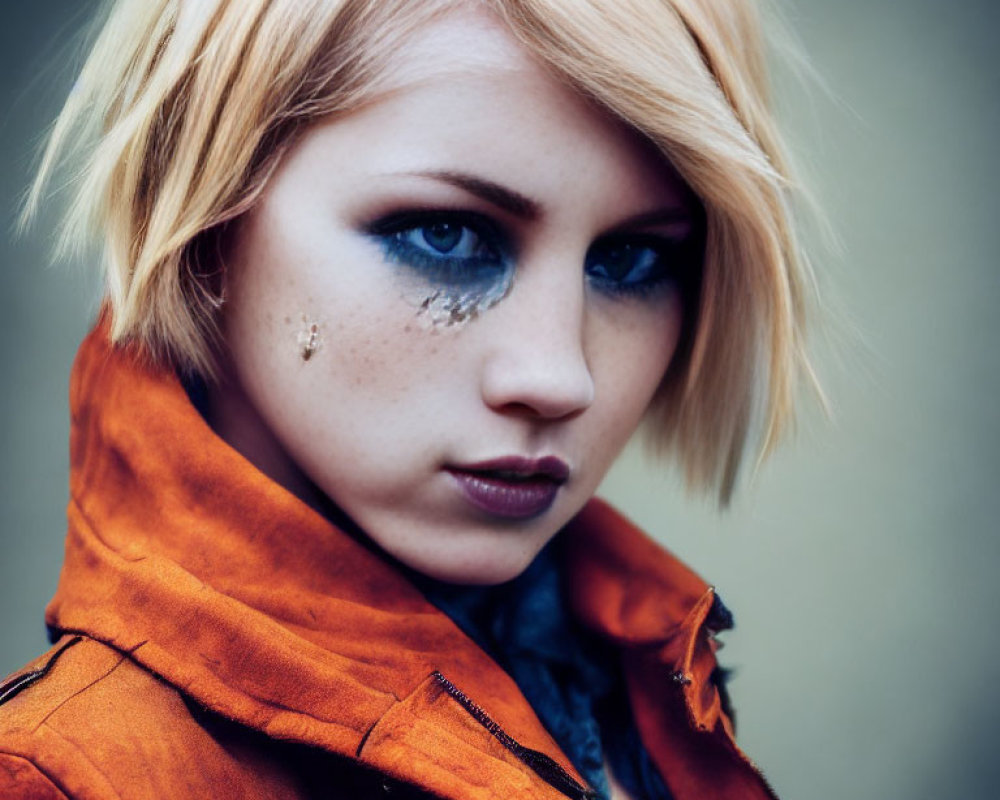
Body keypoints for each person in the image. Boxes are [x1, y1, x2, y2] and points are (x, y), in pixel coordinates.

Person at [0, 0, 813, 798]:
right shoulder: (67, 779)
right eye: (446, 235)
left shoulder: (641, 700)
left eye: (631, 258)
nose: (560, 376)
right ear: (210, 228)